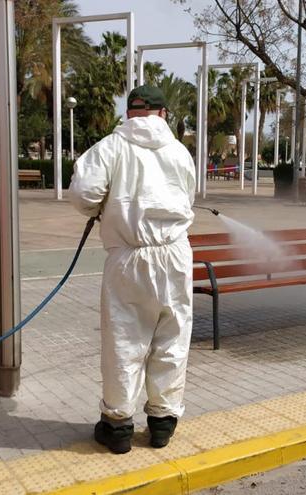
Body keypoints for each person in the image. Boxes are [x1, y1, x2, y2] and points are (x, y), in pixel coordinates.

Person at [69, 85, 196, 454]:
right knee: (172, 335)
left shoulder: (110, 147)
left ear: (129, 113)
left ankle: (118, 426)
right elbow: (188, 196)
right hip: (175, 254)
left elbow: (83, 194)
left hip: (129, 255)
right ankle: (162, 423)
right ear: (163, 113)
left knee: (124, 340)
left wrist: (101, 207)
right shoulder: (179, 151)